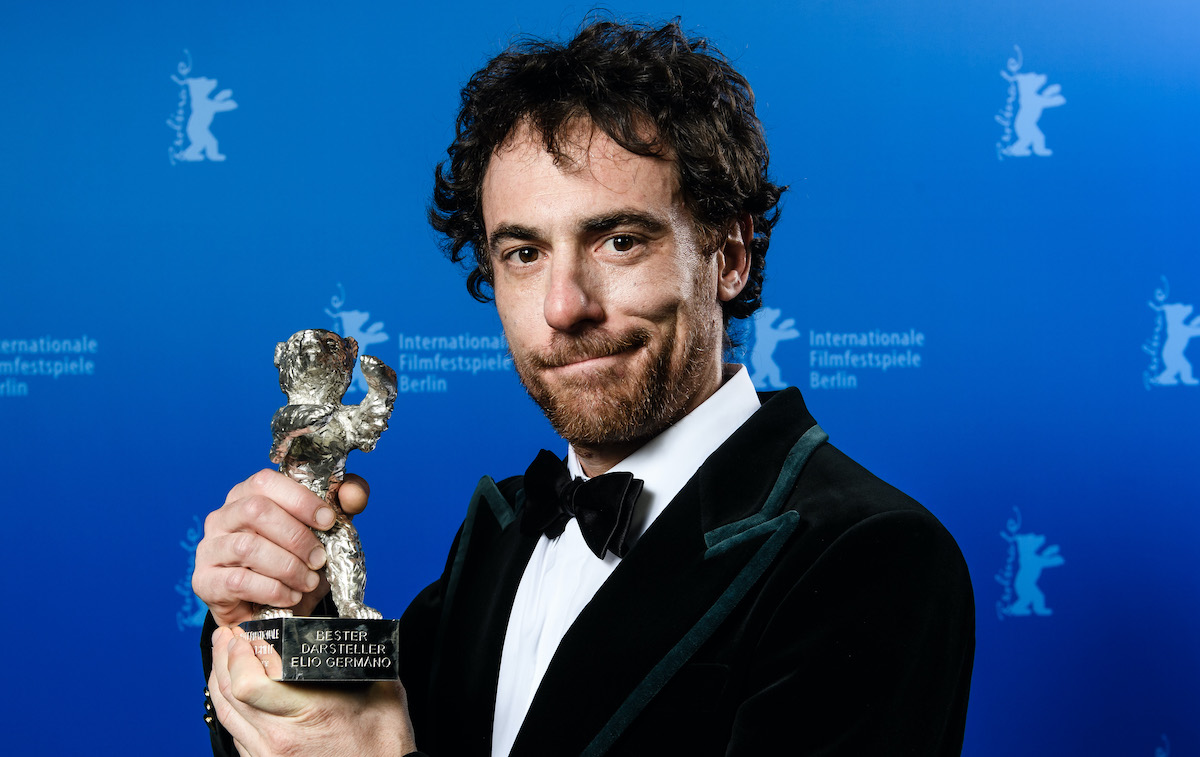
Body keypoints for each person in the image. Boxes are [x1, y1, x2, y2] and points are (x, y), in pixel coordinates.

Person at [196, 19, 975, 757]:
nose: (565, 306)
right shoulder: (500, 534)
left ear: (729, 257)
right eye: (524, 254)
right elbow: (331, 726)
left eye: (619, 240)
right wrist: (272, 617)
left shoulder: (876, 557)